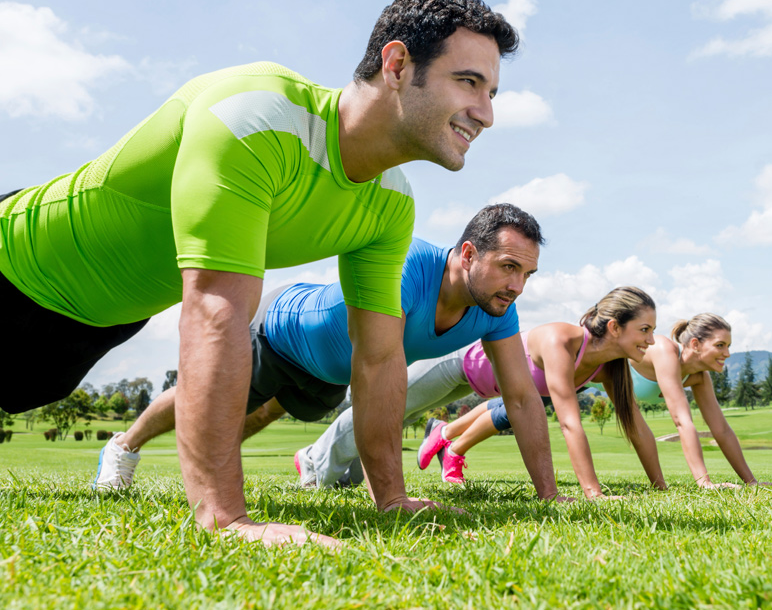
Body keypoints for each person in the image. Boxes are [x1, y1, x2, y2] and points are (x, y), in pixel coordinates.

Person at [0, 0, 518, 548]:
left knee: (25, 389)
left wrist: (391, 499)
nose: (486, 113)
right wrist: (226, 518)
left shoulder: (390, 202)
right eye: (468, 82)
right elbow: (217, 310)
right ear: (397, 65)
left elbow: (379, 357)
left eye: (491, 92)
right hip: (13, 263)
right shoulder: (260, 116)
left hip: (103, 317)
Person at [96, 204, 564, 503]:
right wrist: (393, 499)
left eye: (528, 274)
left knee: (259, 416)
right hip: (283, 330)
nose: (517, 286)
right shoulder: (408, 265)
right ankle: (124, 447)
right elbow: (381, 372)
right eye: (508, 267)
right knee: (205, 396)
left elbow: (521, 399)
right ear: (467, 254)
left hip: (327, 373)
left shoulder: (498, 310)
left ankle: (205, 471)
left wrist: (548, 495)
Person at [418, 287, 671, 497]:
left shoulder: (610, 368)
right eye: (645, 329)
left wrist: (660, 488)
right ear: (615, 327)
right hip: (458, 364)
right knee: (394, 410)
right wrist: (594, 493)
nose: (651, 340)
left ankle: (445, 436)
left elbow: (637, 427)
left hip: (487, 389)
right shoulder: (560, 341)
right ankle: (442, 435)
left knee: (507, 410)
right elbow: (570, 424)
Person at [628, 313, 767, 489]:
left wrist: (751, 482)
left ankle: (660, 486)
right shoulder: (664, 350)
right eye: (720, 345)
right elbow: (682, 421)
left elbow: (721, 430)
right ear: (695, 344)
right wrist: (704, 482)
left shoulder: (699, 376)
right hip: (587, 374)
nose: (727, 353)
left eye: (728, 346)